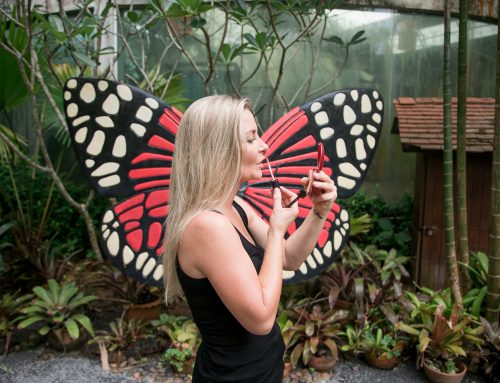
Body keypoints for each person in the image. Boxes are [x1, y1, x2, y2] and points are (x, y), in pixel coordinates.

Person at [162, 95, 337, 382]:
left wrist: (319, 212)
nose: (264, 146)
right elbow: (261, 319)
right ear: (218, 149)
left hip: (261, 369)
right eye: (251, 138)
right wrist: (277, 229)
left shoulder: (236, 207)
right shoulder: (207, 226)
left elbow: (288, 258)